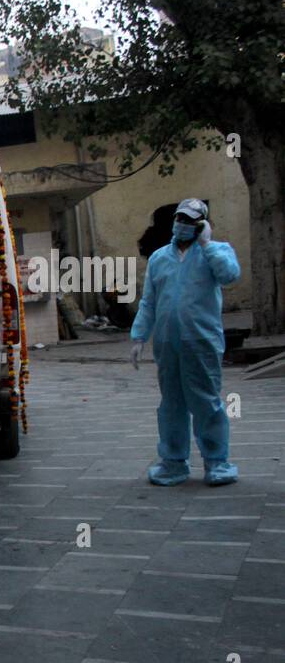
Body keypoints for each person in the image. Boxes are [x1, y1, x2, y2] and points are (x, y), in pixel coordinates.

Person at [129, 198, 241, 486]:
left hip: (201, 341)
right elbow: (149, 302)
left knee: (206, 401)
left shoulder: (215, 252)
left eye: (190, 221)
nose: (182, 225)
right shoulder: (158, 259)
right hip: (167, 343)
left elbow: (230, 276)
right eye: (180, 219)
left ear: (201, 224)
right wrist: (139, 336)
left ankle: (217, 462)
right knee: (172, 404)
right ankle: (173, 462)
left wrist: (207, 244)